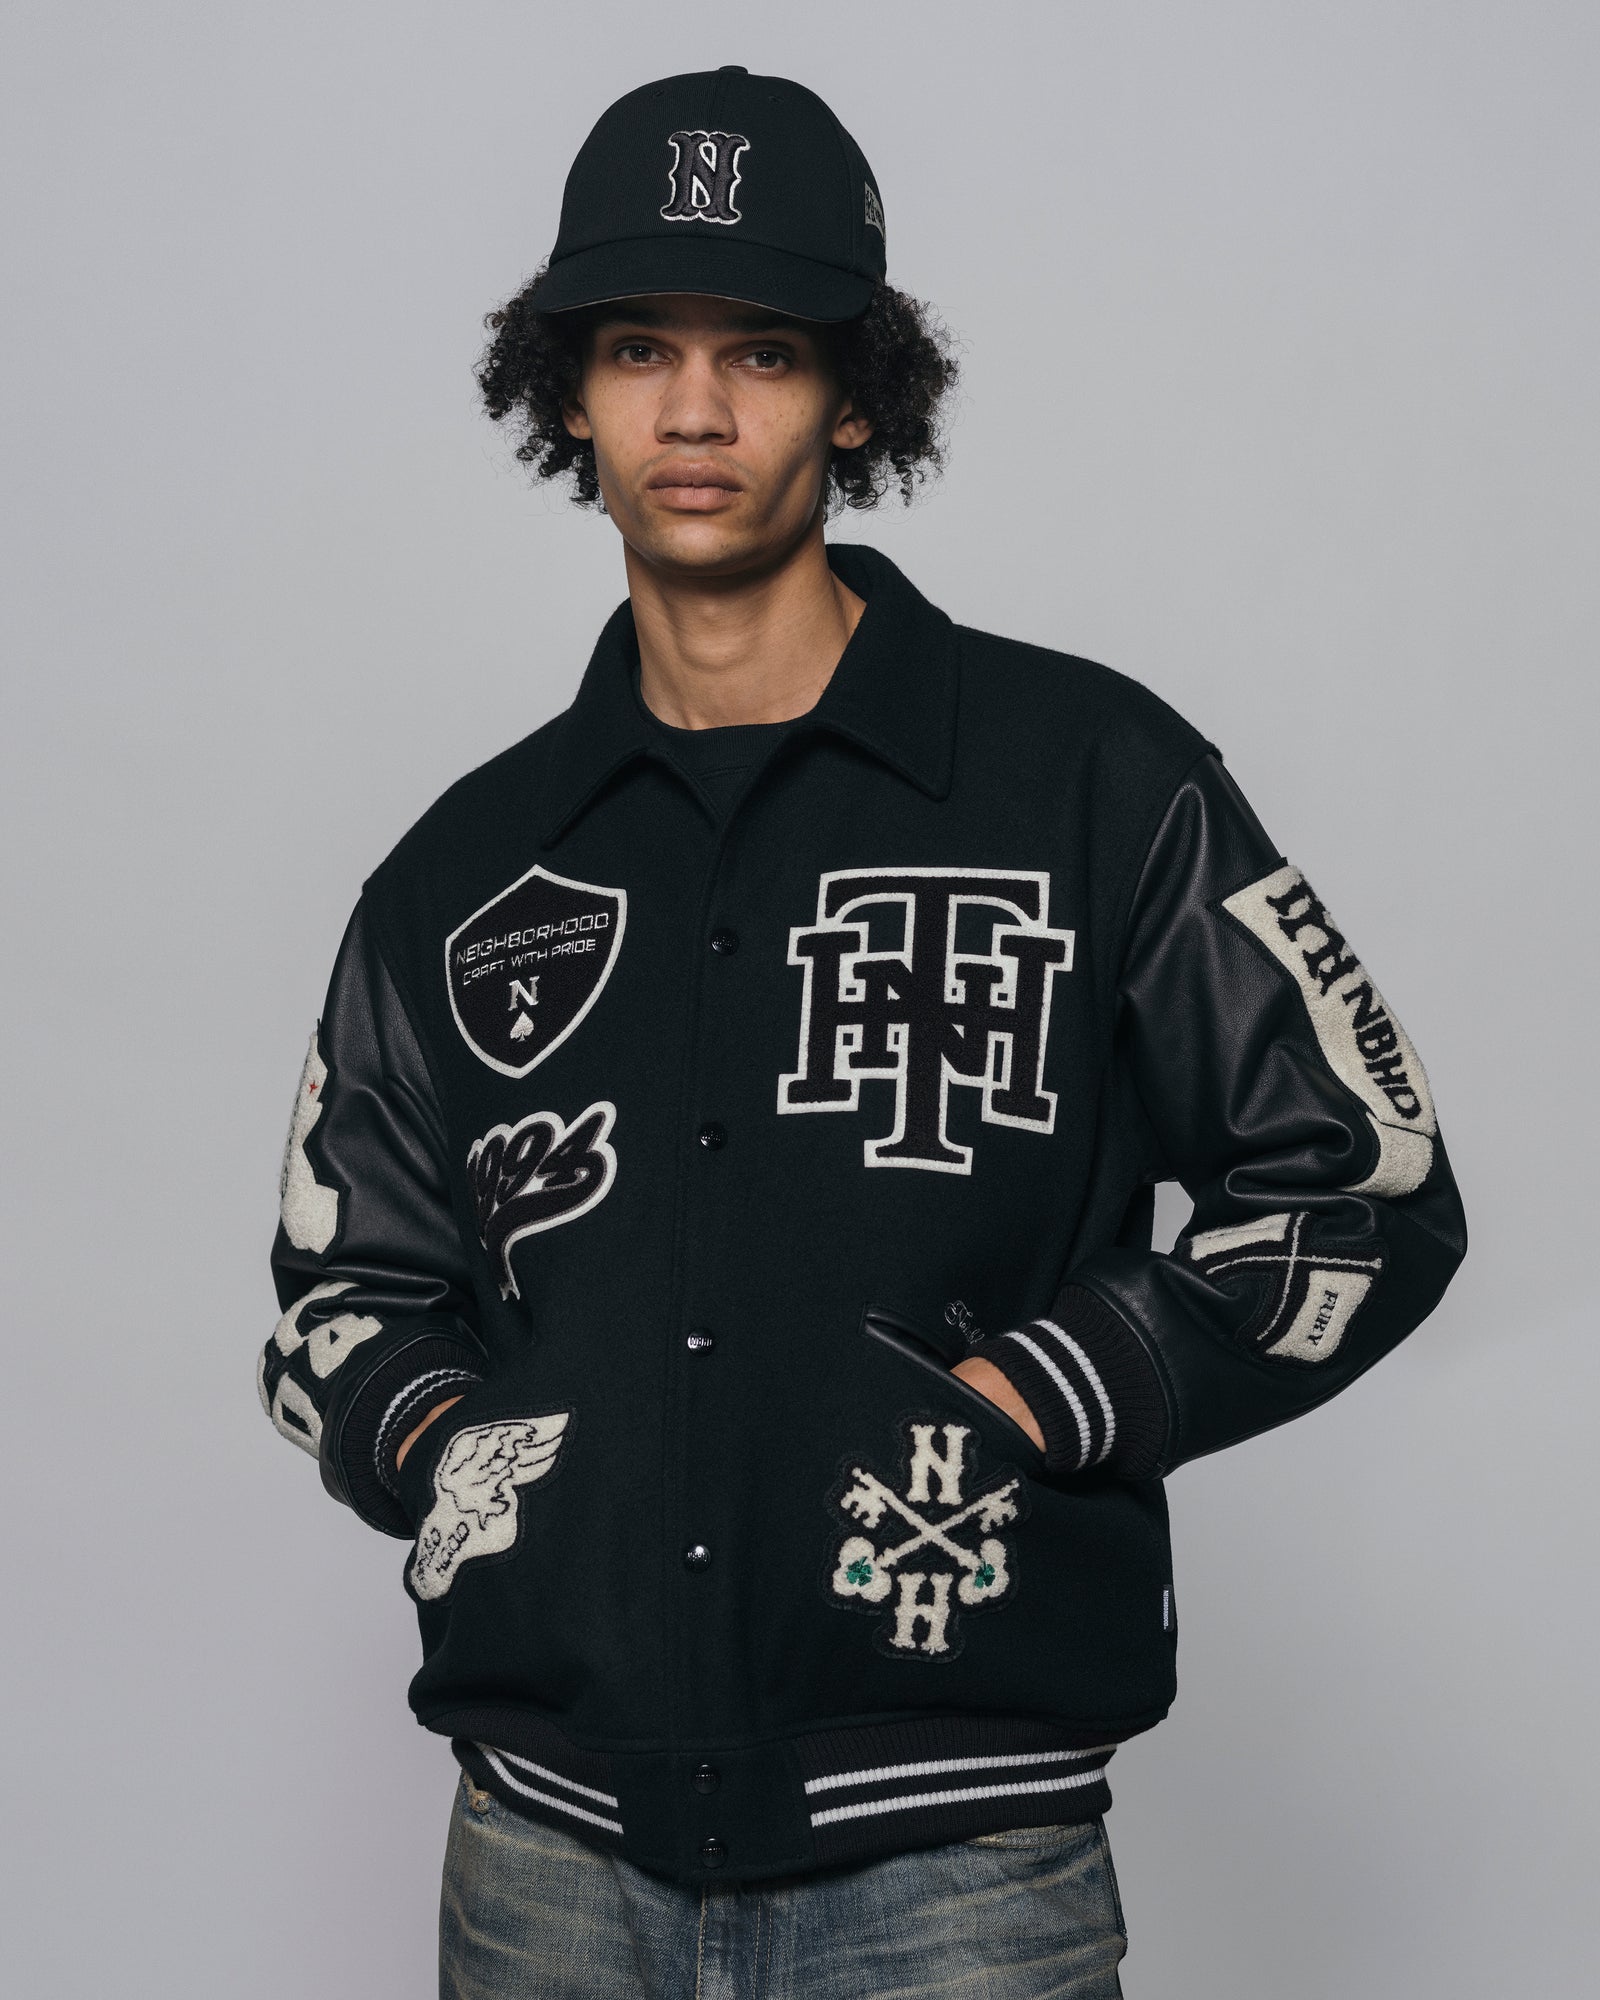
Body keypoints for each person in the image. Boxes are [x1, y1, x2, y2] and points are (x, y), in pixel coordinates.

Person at [259, 65, 1466, 1999]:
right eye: (639, 349)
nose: (697, 413)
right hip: (543, 1861)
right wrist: (477, 1467)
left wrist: (1048, 1390)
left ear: (858, 393)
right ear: (565, 391)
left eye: (764, 351)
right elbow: (340, 1292)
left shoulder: (1095, 779)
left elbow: (1365, 1190)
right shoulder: (464, 870)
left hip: (959, 1872)